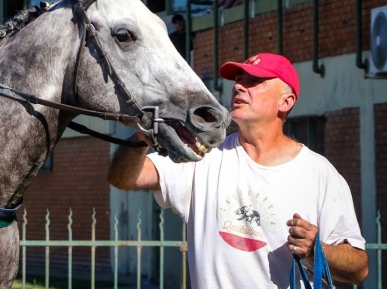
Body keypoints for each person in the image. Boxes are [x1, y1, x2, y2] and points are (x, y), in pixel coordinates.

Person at [107, 53, 368, 287]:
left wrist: (315, 250)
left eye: (255, 81)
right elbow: (125, 178)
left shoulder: (319, 173)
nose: (240, 86)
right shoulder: (204, 155)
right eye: (239, 79)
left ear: (285, 101)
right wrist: (142, 138)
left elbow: (358, 269)